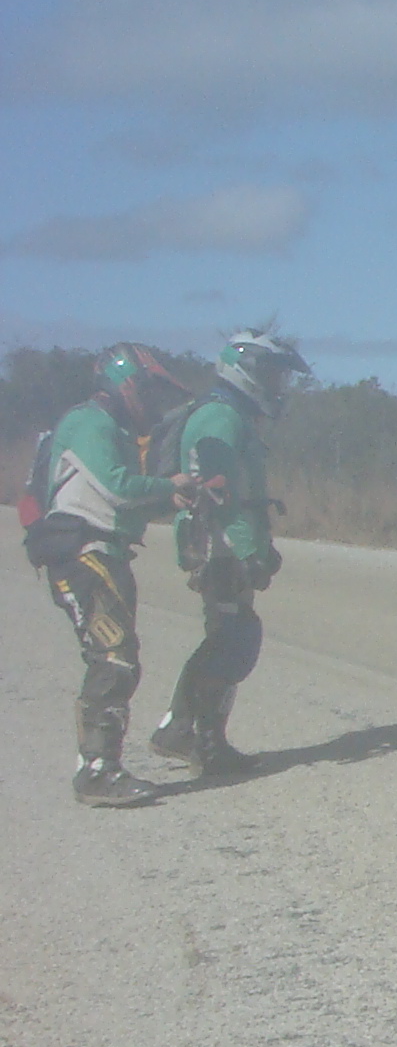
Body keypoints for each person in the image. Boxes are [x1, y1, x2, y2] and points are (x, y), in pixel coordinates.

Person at [24, 344, 203, 805]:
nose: (154, 402)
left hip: (102, 552)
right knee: (113, 656)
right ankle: (97, 772)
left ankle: (101, 767)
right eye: (148, 390)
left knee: (119, 656)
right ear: (128, 385)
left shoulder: (112, 428)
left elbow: (120, 502)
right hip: (82, 553)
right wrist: (169, 485)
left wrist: (166, 498)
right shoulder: (92, 422)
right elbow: (118, 488)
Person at [148, 330, 312, 777]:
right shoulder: (220, 417)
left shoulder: (232, 415)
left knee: (230, 635)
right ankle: (186, 732)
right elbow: (218, 494)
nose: (278, 385)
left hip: (224, 543)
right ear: (247, 370)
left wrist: (260, 544)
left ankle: (201, 738)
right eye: (273, 374)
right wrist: (247, 549)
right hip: (216, 545)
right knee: (233, 638)